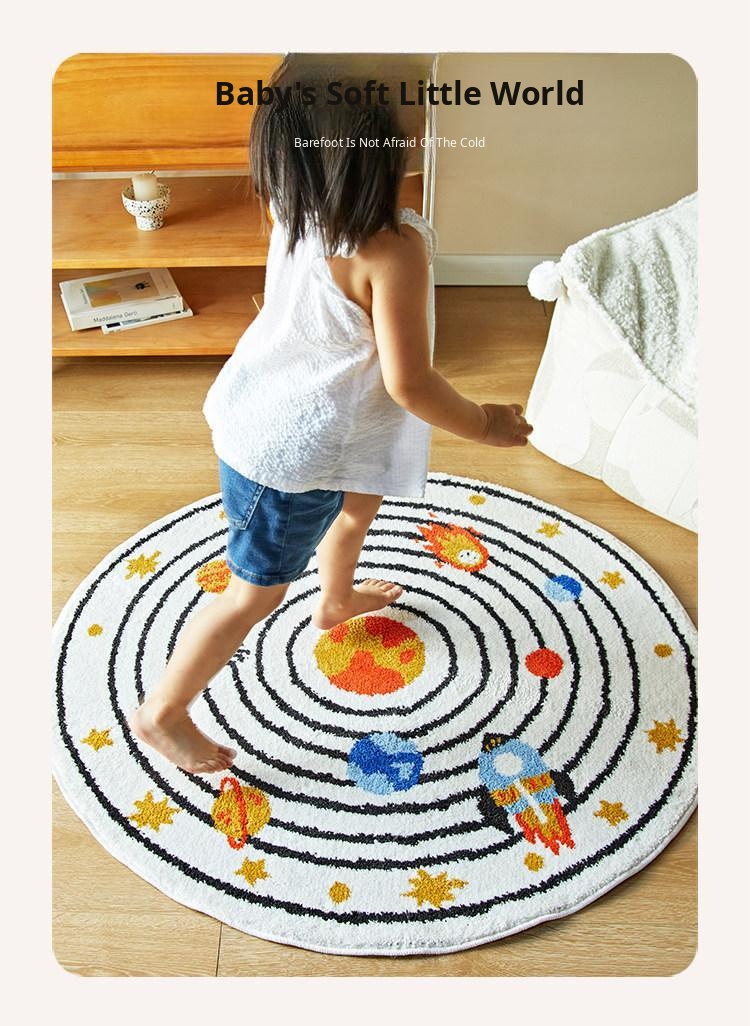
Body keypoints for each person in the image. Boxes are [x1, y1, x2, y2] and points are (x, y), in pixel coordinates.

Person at [130, 56, 532, 774]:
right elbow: (411, 383)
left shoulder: (297, 205)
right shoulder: (391, 251)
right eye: (420, 114)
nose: (430, 125)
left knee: (357, 508)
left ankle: (336, 601)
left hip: (320, 420)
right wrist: (485, 422)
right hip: (289, 453)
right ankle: (163, 711)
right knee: (253, 594)